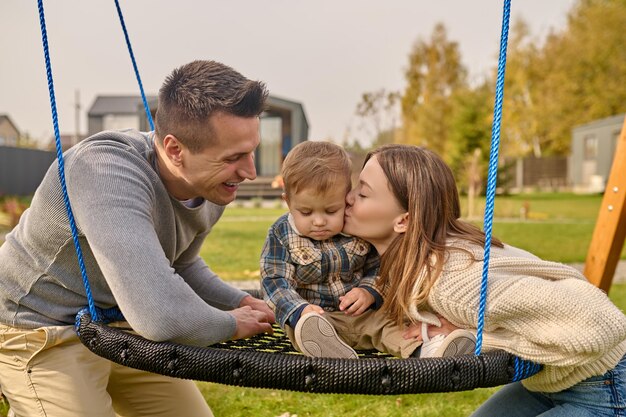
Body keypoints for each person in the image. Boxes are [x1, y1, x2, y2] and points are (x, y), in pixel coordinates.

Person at [0, 60, 276, 417]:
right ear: (175, 150)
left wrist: (237, 300)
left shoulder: (212, 183)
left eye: (251, 150)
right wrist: (233, 323)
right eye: (234, 157)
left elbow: (181, 264)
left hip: (117, 322)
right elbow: (161, 317)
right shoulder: (103, 170)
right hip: (38, 328)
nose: (250, 172)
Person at [343, 143, 626, 416]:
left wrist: (478, 336)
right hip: (549, 382)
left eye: (363, 194)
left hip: (604, 386)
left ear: (403, 221)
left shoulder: (450, 281)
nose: (348, 198)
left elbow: (603, 323)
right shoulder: (418, 258)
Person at [260, 141, 475, 359]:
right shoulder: (282, 233)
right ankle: (328, 348)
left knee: (389, 326)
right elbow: (275, 280)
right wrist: (299, 309)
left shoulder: (354, 228)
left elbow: (377, 266)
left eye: (332, 210)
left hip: (364, 315)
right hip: (316, 315)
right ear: (288, 202)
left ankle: (429, 351)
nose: (319, 221)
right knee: (304, 328)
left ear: (345, 196)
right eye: (305, 212)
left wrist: (368, 291)